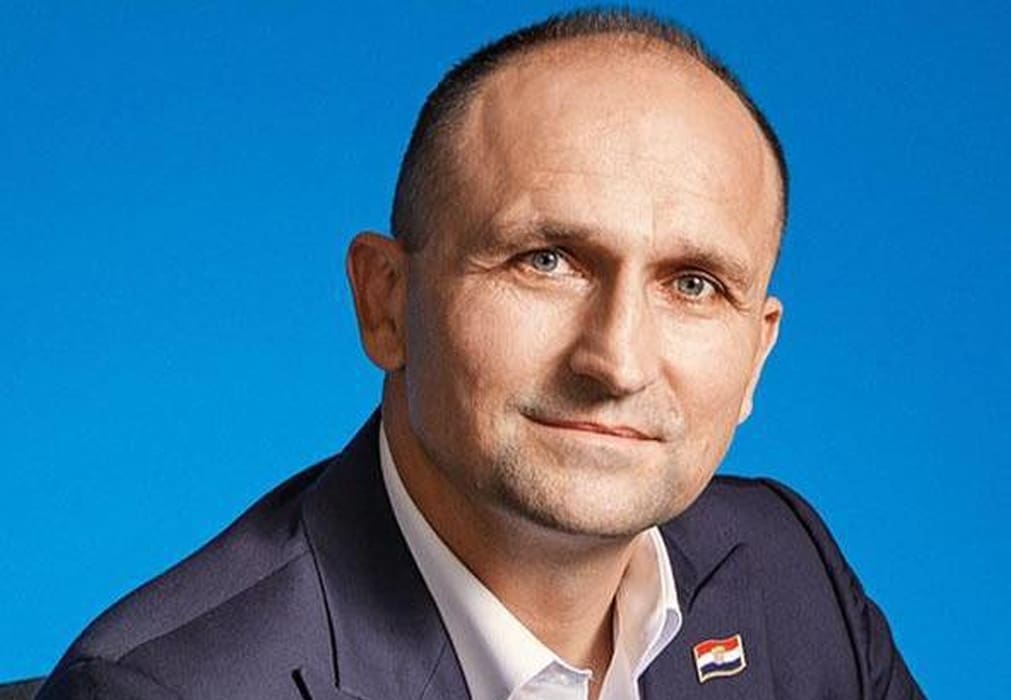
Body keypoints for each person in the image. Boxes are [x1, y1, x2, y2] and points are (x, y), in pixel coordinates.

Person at [37, 9, 923, 700]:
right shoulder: (164, 687)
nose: (616, 361)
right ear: (385, 304)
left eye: (692, 284)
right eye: (546, 261)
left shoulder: (789, 570)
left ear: (757, 356)